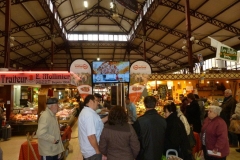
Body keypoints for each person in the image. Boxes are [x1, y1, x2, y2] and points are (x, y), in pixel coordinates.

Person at [133, 96, 166, 160]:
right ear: (155, 104)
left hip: (143, 155)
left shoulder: (139, 121)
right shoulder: (163, 120)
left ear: (145, 104)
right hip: (158, 154)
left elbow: (135, 140)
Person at [78, 94, 108, 160]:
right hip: (92, 153)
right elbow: (91, 136)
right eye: (97, 101)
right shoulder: (88, 115)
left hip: (91, 151)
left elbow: (98, 122)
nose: (98, 103)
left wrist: (108, 117)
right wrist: (98, 151)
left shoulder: (89, 112)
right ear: (91, 101)